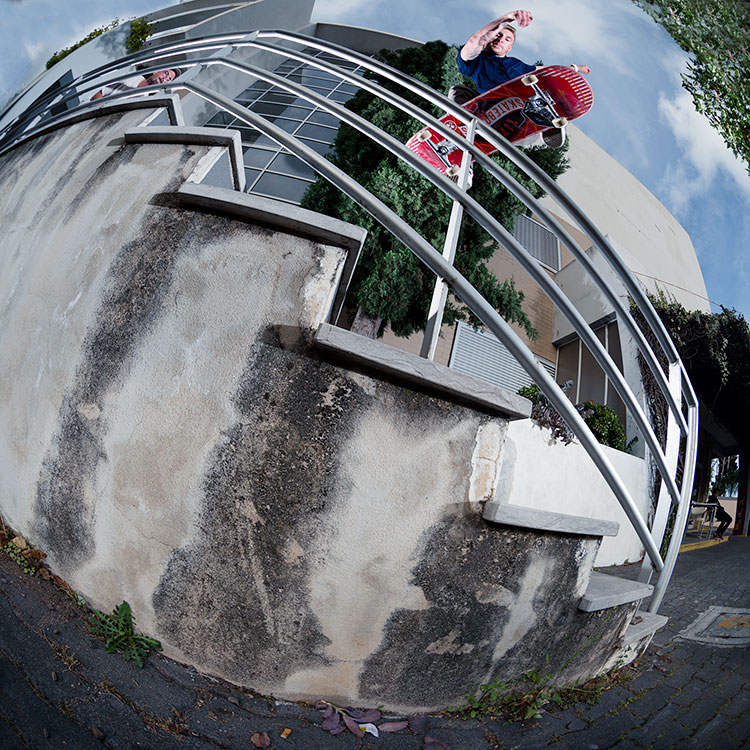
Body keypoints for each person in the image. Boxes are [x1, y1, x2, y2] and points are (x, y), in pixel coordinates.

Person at [453, 10, 590, 148]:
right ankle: (460, 125)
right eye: (498, 35)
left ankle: (551, 120)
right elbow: (474, 41)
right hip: (484, 110)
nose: (501, 40)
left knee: (543, 89)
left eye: (507, 39)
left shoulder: (516, 65)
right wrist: (507, 19)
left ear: (510, 47)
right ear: (489, 38)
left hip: (516, 118)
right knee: (457, 91)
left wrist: (575, 68)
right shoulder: (476, 60)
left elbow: (546, 71)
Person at [91, 68, 182, 100]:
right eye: (166, 73)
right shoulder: (132, 77)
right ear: (156, 72)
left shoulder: (144, 100)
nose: (164, 78)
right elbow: (99, 93)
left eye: (168, 79)